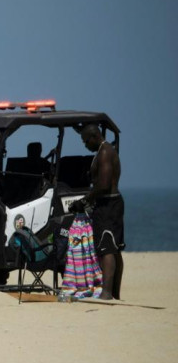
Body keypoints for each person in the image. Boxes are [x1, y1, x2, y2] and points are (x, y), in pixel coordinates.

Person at [70, 124, 124, 300]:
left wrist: (85, 200)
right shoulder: (104, 149)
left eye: (86, 141)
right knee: (114, 249)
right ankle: (114, 292)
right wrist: (77, 128)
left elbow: (104, 184)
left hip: (108, 204)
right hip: (110, 203)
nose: (85, 145)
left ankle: (107, 292)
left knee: (107, 247)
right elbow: (87, 131)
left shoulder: (104, 153)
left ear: (94, 137)